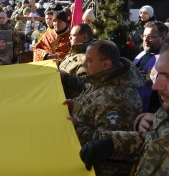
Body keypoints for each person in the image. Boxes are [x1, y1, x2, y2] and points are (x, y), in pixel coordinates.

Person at [79, 38, 169, 175]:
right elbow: (157, 143)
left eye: (168, 77)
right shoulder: (165, 111)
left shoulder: (117, 96)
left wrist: (76, 128)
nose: (156, 86)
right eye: (159, 75)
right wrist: (113, 144)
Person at [62, 40, 143, 176]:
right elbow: (94, 101)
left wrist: (76, 128)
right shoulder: (102, 78)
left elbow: (107, 142)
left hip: (99, 170)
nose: (84, 65)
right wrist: (76, 103)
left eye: (88, 60)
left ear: (106, 64)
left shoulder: (118, 99)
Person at [133, 21, 167, 113]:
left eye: (150, 37)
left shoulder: (165, 58)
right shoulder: (142, 54)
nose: (145, 40)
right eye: (144, 36)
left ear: (163, 38)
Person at [59, 23, 95, 99]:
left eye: (73, 35)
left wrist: (65, 76)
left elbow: (88, 84)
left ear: (84, 37)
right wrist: (58, 62)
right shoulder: (76, 49)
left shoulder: (89, 56)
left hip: (72, 102)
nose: (69, 37)